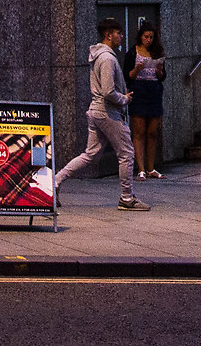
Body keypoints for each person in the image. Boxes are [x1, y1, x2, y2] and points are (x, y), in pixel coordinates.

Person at [54, 18, 148, 211]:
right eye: (118, 33)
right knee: (127, 153)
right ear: (108, 35)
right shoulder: (107, 58)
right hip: (108, 112)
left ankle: (56, 180)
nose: (121, 36)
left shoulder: (100, 56)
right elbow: (108, 91)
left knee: (91, 154)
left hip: (97, 111)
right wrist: (124, 99)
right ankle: (127, 197)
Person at [128, 26, 166, 181]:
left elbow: (163, 76)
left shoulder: (158, 52)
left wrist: (159, 72)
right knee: (139, 131)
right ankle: (141, 168)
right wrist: (137, 69)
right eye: (146, 37)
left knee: (152, 131)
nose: (148, 40)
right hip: (139, 90)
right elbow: (128, 75)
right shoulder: (133, 52)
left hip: (154, 91)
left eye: (151, 37)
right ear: (140, 37)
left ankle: (151, 167)